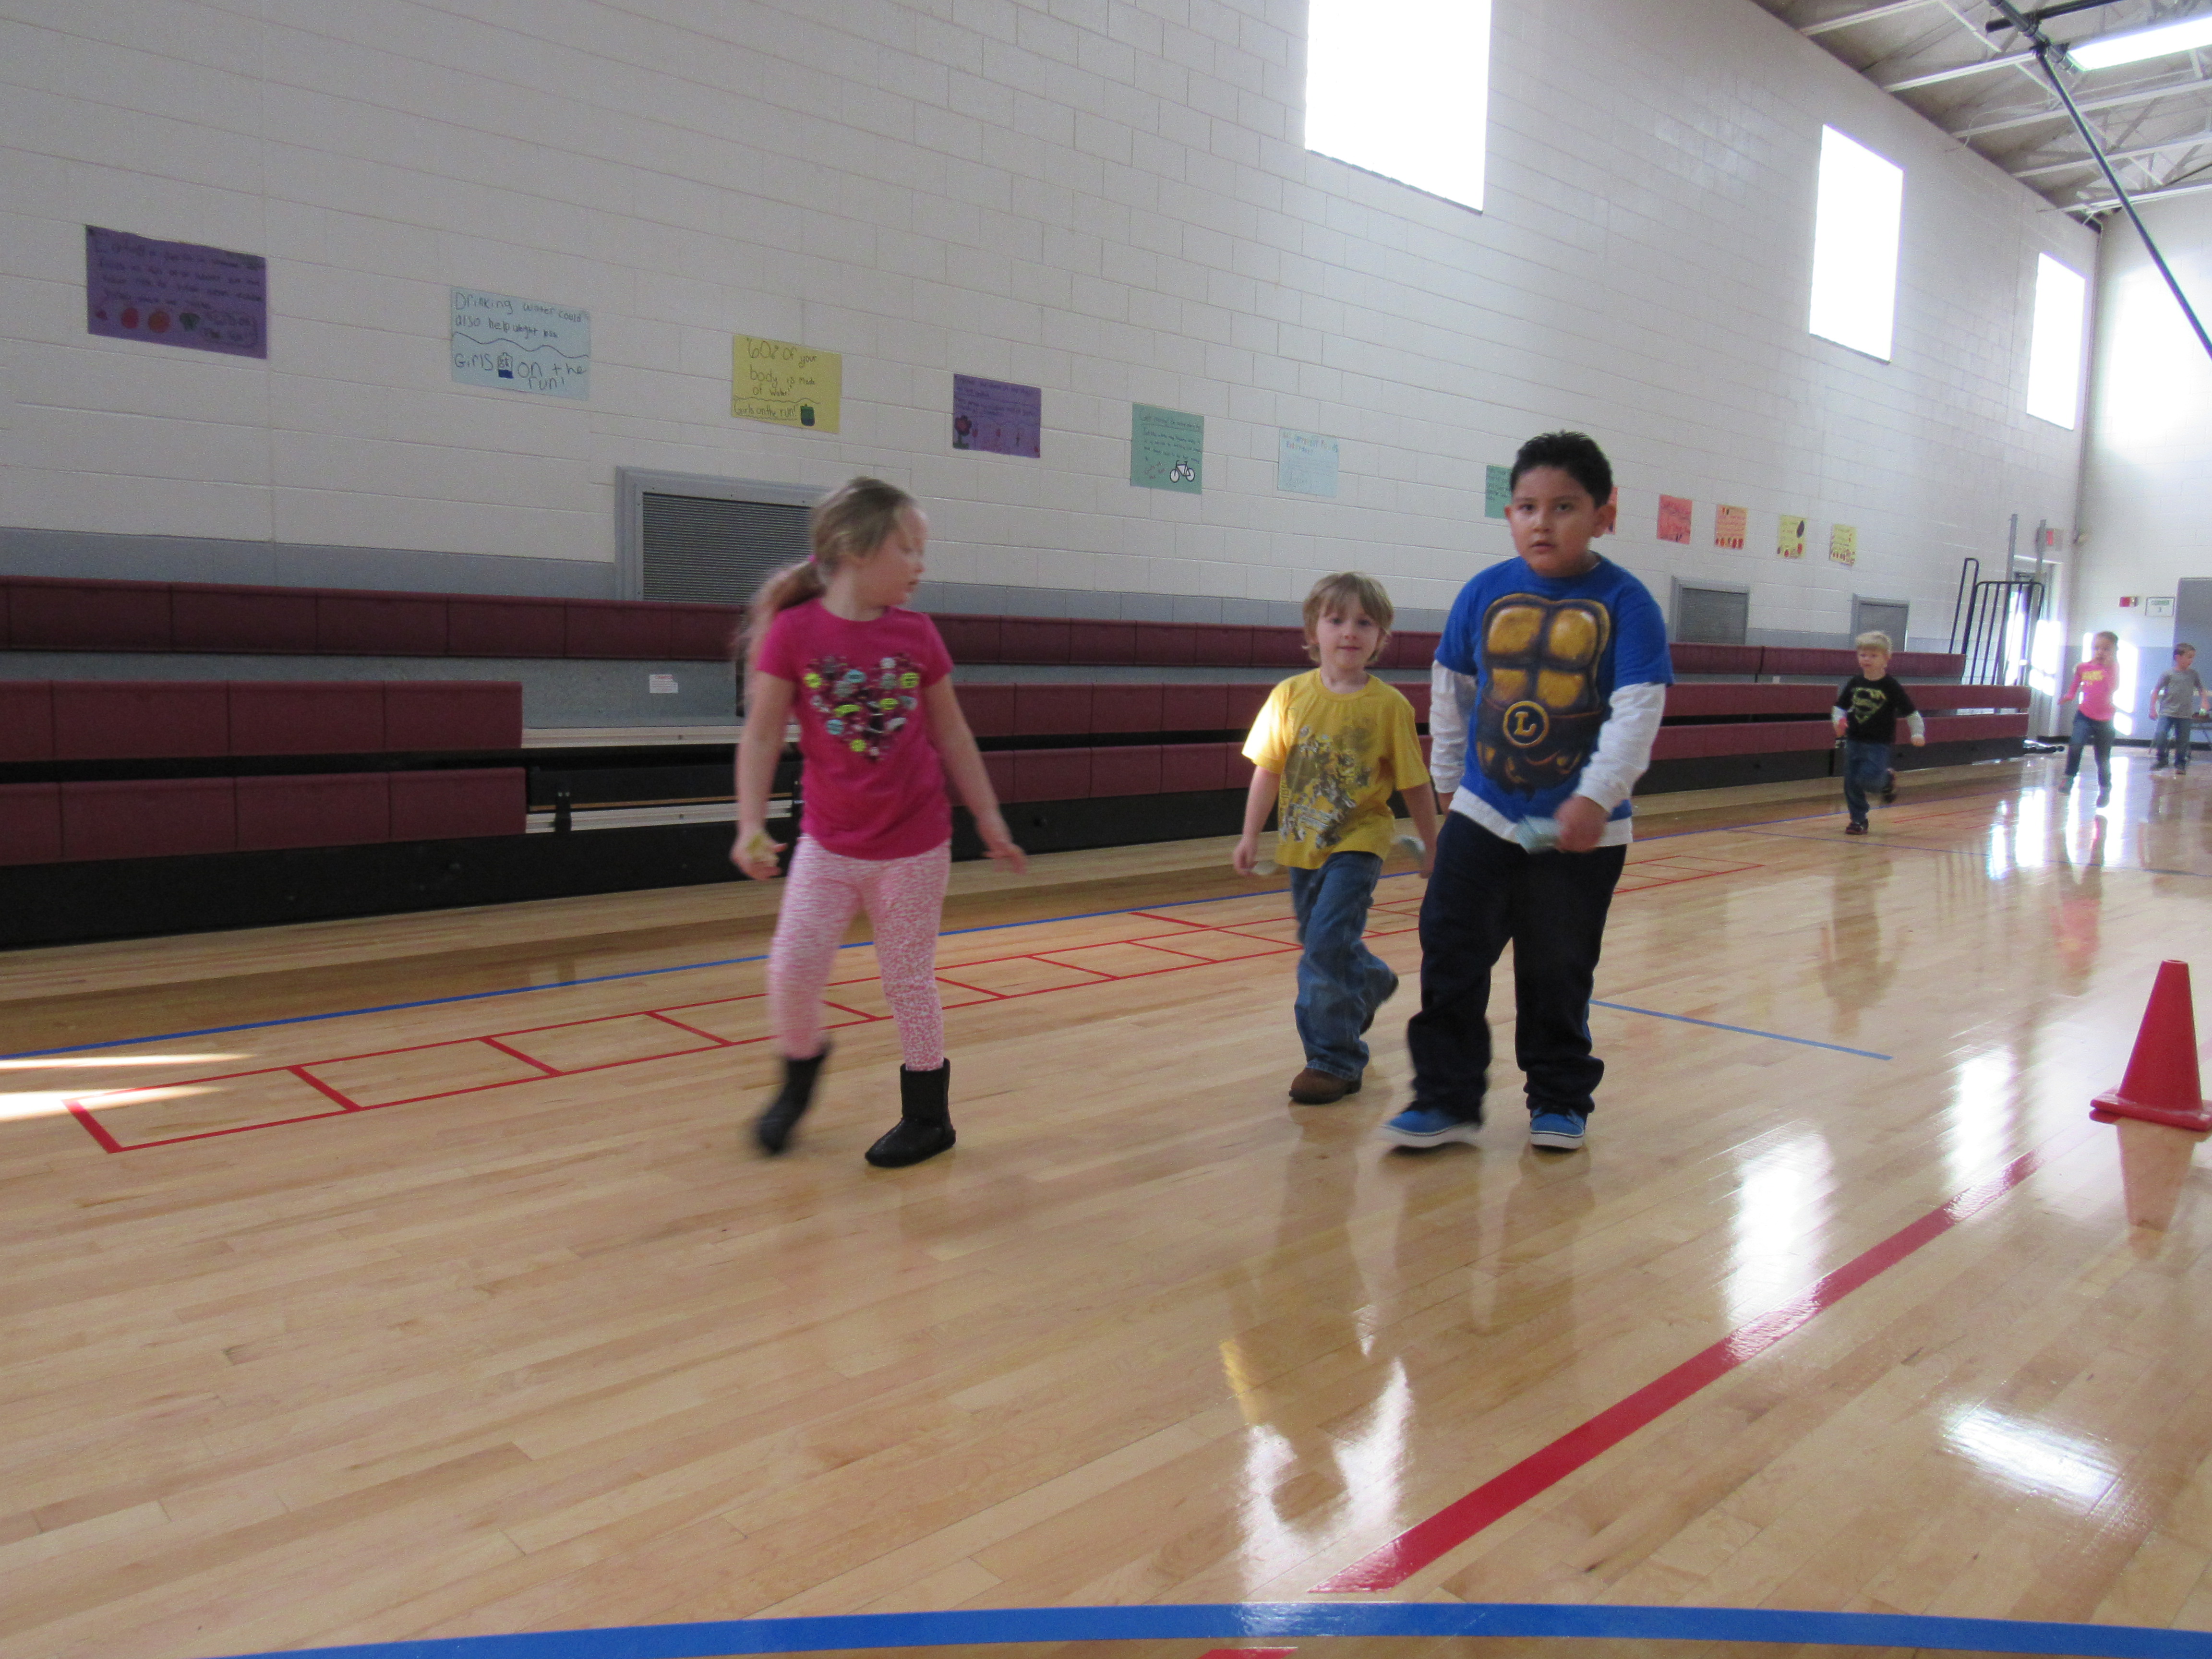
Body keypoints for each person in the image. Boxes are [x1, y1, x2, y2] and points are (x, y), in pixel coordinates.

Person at [1380, 431, 1671, 1154]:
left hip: (1581, 834)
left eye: (1564, 507)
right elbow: (1452, 695)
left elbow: (1638, 710)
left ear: (1604, 515)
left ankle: (1560, 1097)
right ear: (1510, 514)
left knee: (1556, 967)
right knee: (1451, 951)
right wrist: (1451, 793)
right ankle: (1445, 1098)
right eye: (1527, 507)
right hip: (1483, 814)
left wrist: (1596, 797)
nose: (1542, 523)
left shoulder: (1628, 604)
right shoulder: (1482, 593)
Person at [732, 478, 1026, 1167]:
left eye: (923, 550)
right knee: (792, 968)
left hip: (914, 846)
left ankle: (929, 1117)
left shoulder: (916, 634)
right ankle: (799, 1074)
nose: (921, 564)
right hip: (829, 846)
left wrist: (988, 816)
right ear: (855, 549)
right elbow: (762, 735)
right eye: (909, 548)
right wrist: (750, 824)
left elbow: (952, 734)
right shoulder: (796, 633)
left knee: (907, 980)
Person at [1234, 572, 1440, 1105]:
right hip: (1302, 845)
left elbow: (1415, 783)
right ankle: (1369, 980)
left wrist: (1433, 844)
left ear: (1381, 637)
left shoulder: (1389, 706)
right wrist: (1250, 835)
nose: (1350, 631)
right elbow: (1267, 771)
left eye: (1364, 623)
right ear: (1313, 631)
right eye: (1336, 620)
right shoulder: (1288, 696)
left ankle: (1333, 1060)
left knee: (1324, 947)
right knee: (1321, 940)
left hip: (1359, 844)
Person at [1831, 631, 1925, 836]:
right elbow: (1840, 707)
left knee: (1870, 780)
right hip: (1854, 740)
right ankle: (1858, 820)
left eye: (1873, 656)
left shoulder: (1891, 686)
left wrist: (1917, 733)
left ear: (1887, 658)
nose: (1867, 659)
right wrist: (1838, 722)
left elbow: (1912, 713)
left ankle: (1886, 780)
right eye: (1863, 655)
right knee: (1851, 781)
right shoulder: (1855, 683)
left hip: (1878, 744)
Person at [2062, 631, 2121, 805]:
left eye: (2106, 649)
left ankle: (2105, 788)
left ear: (2114, 651)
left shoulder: (2113, 667)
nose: (2101, 652)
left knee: (2102, 758)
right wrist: (2069, 696)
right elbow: (2075, 685)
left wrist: (2107, 668)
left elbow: (2113, 688)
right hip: (2084, 715)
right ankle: (2069, 777)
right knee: (2076, 745)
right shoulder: (2083, 667)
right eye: (2097, 648)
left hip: (2105, 719)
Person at [2151, 643, 2205, 775]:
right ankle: (2162, 759)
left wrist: (2204, 702)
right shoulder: (2168, 674)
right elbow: (2156, 690)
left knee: (2183, 740)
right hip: (2167, 712)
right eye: (2189, 657)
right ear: (2178, 657)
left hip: (2185, 714)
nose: (2191, 660)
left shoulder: (2193, 674)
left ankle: (2180, 763)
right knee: (2161, 735)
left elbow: (2201, 689)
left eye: (2193, 657)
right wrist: (2152, 708)